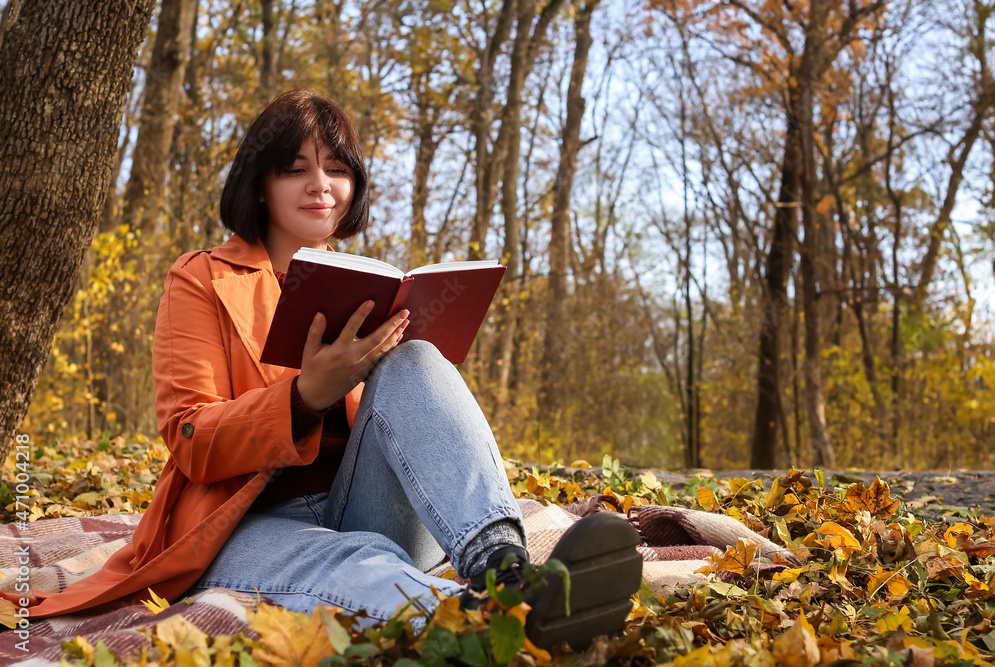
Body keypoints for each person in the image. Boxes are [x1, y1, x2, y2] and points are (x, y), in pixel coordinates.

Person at [11, 89, 642, 651]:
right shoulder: (201, 277)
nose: (321, 185)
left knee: (417, 358)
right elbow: (188, 437)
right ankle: (490, 620)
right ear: (260, 183)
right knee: (356, 560)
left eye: (337, 169)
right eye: (297, 169)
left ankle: (500, 568)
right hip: (249, 525)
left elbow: (402, 418)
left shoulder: (366, 284)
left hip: (366, 502)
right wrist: (304, 396)